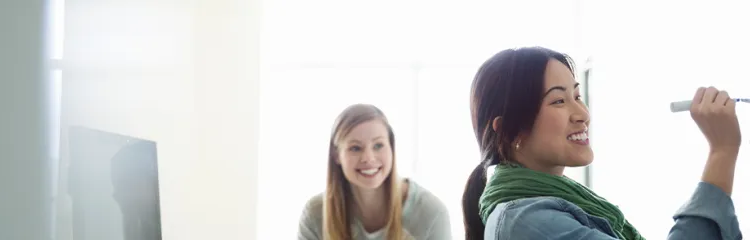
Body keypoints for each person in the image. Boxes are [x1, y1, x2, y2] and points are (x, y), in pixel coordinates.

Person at [461, 47, 742, 240]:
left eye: (577, 96)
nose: (582, 114)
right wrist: (722, 151)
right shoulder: (526, 222)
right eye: (558, 100)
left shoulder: (547, 207)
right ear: (509, 131)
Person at [298, 104, 452, 240]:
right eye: (355, 148)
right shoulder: (315, 214)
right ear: (336, 155)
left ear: (391, 148)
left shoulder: (431, 213)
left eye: (378, 145)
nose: (368, 158)